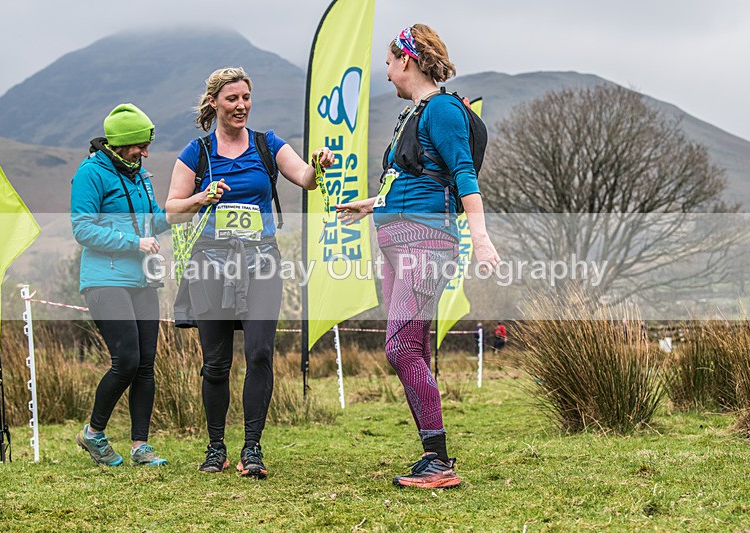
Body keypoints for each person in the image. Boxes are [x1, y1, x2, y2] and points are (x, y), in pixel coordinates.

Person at [337, 24, 500, 489]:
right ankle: (433, 457)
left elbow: (464, 176)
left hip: (425, 244)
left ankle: (440, 461)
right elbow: (414, 181)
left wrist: (481, 239)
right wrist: (370, 204)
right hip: (397, 239)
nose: (385, 73)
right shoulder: (415, 114)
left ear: (407, 60)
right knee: (414, 347)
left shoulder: (444, 110)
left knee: (400, 346)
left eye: (388, 62)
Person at [165, 67, 335, 477]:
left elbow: (305, 179)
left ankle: (252, 448)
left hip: (261, 261)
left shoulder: (266, 144)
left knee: (260, 353)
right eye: (231, 99)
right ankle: (216, 447)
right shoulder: (197, 152)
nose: (240, 106)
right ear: (214, 104)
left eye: (245, 98)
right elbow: (171, 210)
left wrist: (319, 165)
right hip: (210, 263)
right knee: (216, 364)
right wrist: (202, 197)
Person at [70, 103, 170, 466]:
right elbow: (82, 229)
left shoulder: (140, 175)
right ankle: (93, 434)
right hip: (104, 279)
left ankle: (140, 447)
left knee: (146, 364)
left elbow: (153, 221)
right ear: (120, 144)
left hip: (142, 280)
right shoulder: (90, 173)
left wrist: (190, 207)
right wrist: (133, 243)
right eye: (139, 145)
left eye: (147, 145)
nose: (145, 152)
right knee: (126, 360)